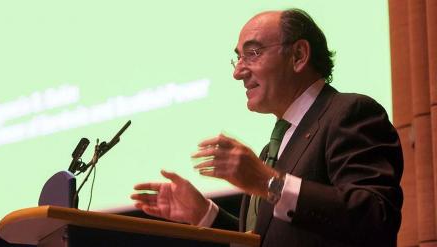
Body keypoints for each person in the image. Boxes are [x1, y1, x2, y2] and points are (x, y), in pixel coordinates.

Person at [131, 8, 403, 247]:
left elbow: (376, 217)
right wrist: (204, 213)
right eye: (238, 58)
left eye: (252, 53)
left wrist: (268, 182)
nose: (238, 72)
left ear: (298, 55)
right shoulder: (271, 149)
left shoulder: (349, 113)